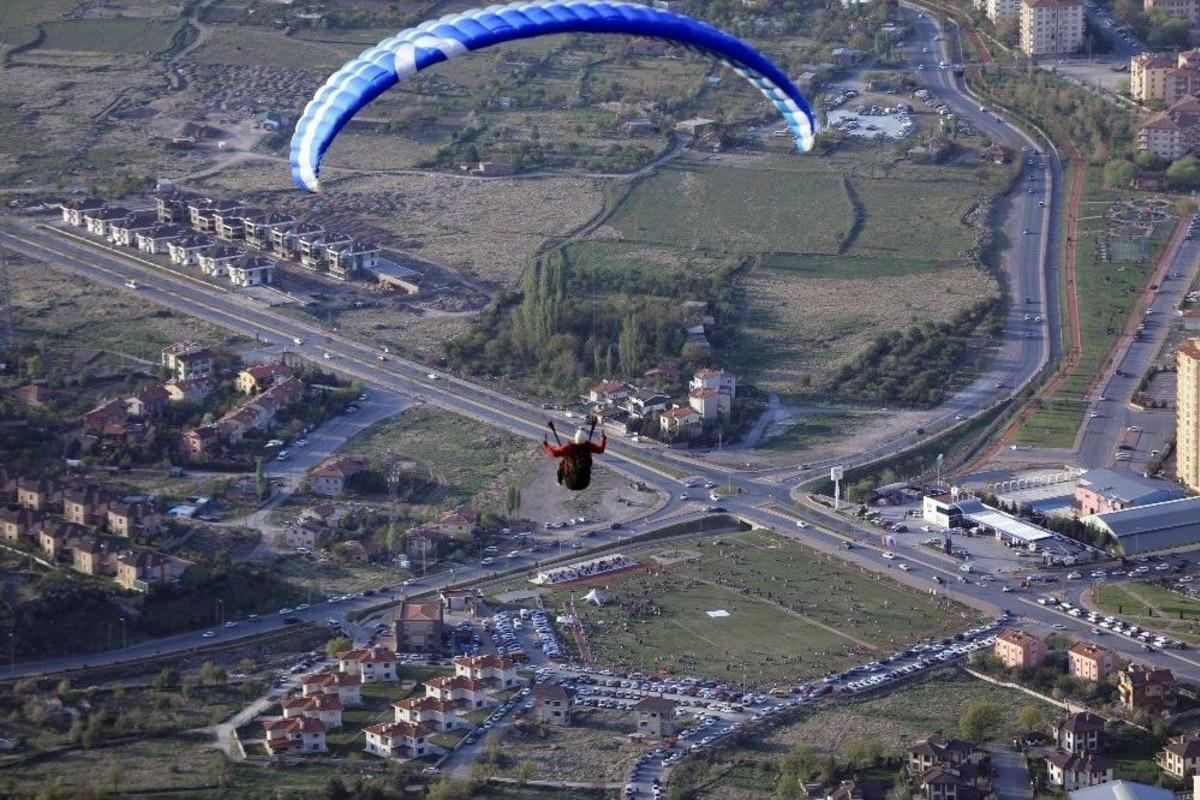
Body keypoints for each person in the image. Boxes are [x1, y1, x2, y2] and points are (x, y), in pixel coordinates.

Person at [542, 419, 606, 491]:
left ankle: (559, 481)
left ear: (575, 439)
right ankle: (560, 480)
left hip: (570, 483)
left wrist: (546, 446)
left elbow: (554, 453)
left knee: (562, 464)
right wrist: (603, 437)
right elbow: (601, 449)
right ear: (585, 440)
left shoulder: (569, 447)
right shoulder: (588, 446)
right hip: (585, 484)